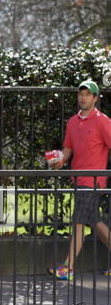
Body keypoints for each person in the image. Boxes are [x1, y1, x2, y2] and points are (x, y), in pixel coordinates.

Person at [48, 80, 111, 280]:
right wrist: (60, 160)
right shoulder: (72, 122)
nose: (82, 97)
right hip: (78, 180)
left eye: (87, 94)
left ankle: (68, 267)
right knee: (95, 222)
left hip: (93, 181)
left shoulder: (102, 121)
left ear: (95, 98)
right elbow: (68, 149)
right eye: (80, 94)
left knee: (78, 223)